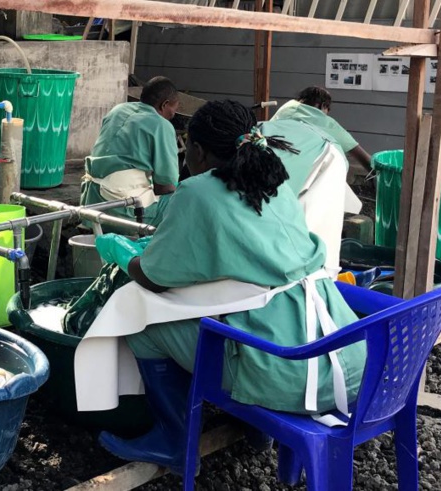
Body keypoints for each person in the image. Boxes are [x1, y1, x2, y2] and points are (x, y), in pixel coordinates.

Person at [94, 100, 366, 475]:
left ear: (199, 150)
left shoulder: (196, 192)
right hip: (345, 356)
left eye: (186, 145)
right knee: (237, 320)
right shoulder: (272, 178)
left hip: (287, 374)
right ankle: (256, 431)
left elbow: (153, 278)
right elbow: (242, 253)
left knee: (144, 325)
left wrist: (124, 254)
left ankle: (173, 439)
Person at [80, 76, 180, 230]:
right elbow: (165, 186)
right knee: (179, 200)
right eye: (173, 111)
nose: (172, 116)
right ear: (164, 104)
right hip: (121, 211)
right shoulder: (161, 125)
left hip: (91, 202)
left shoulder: (118, 110)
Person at [272, 86, 372, 174]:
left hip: (270, 162)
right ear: (323, 105)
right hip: (300, 171)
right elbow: (361, 155)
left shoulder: (285, 109)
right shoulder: (324, 121)